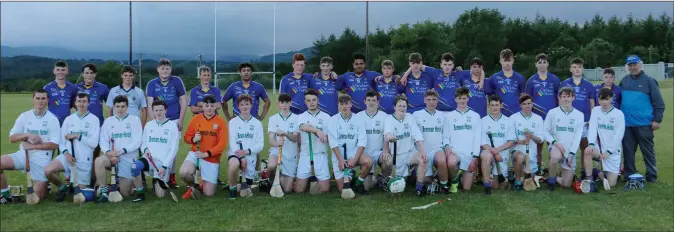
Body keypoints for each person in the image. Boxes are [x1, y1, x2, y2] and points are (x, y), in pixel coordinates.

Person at [0, 89, 60, 204]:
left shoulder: (53, 119)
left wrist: (33, 147)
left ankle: (45, 184)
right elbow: (12, 138)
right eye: (37, 98)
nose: (40, 101)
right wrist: (26, 135)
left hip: (42, 159)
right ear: (33, 99)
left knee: (37, 198)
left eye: (43, 98)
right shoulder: (25, 116)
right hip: (23, 155)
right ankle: (5, 193)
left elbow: (54, 144)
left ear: (47, 100)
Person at [44, 92, 100, 202]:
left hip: (83, 159)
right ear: (75, 103)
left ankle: (83, 187)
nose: (81, 104)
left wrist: (77, 136)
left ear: (89, 103)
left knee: (82, 195)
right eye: (79, 101)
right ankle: (62, 187)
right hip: (67, 157)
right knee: (47, 170)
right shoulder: (69, 119)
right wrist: (66, 153)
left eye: (84, 101)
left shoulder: (94, 120)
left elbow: (93, 143)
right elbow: (61, 141)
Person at [619, 55, 665, 182]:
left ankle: (651, 176)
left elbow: (659, 103)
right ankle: (629, 175)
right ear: (627, 67)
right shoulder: (624, 81)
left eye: (635, 64)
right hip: (627, 124)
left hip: (644, 124)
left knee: (648, 152)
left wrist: (657, 120)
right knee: (628, 152)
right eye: (630, 65)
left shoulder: (650, 81)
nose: (632, 67)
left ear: (640, 64)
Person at [106, 66, 149, 194]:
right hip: (117, 128)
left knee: (135, 155)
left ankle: (140, 181)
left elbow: (144, 110)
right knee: (115, 154)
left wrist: (141, 126)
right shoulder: (114, 91)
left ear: (133, 76)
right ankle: (116, 180)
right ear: (122, 76)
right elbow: (109, 109)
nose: (128, 78)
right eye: (126, 75)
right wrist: (110, 125)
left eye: (130, 75)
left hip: (132, 128)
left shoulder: (139, 91)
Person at [145, 58, 187, 188]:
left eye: (167, 68)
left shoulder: (177, 81)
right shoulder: (152, 83)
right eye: (162, 68)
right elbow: (150, 103)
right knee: (156, 148)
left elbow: (183, 100)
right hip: (157, 120)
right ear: (158, 69)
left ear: (171, 69)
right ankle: (156, 175)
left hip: (173, 120)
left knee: (172, 150)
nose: (165, 70)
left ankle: (171, 176)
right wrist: (153, 122)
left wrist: (180, 120)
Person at [95, 95, 143, 202]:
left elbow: (137, 141)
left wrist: (119, 152)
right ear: (114, 107)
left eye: (123, 106)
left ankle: (132, 186)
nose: (120, 109)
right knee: (99, 161)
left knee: (125, 193)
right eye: (117, 106)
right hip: (111, 157)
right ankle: (104, 191)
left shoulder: (134, 120)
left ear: (127, 107)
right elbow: (103, 140)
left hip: (127, 158)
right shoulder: (108, 121)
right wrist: (108, 153)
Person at [180, 95, 228, 197]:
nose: (209, 108)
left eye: (212, 105)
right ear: (203, 107)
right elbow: (186, 137)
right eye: (207, 105)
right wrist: (193, 139)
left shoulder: (221, 122)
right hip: (196, 153)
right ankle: (193, 186)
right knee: (184, 173)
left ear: (215, 107)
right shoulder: (196, 119)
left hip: (211, 158)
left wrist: (206, 154)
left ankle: (202, 183)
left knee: (209, 193)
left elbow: (221, 145)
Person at [383, 95, 428, 197]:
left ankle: (419, 189)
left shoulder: (410, 117)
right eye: (399, 106)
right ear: (394, 107)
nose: (402, 108)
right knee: (398, 188)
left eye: (404, 106)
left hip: (409, 153)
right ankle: (383, 178)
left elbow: (418, 137)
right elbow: (387, 134)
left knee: (422, 159)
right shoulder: (389, 119)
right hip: (396, 156)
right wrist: (390, 137)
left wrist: (422, 152)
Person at [327, 95, 372, 195]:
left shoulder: (358, 119)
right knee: (342, 189)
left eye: (346, 104)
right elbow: (333, 143)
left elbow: (362, 142)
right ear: (338, 106)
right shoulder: (333, 120)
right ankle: (351, 174)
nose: (344, 106)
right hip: (339, 158)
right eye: (341, 104)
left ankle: (359, 183)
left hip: (353, 155)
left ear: (351, 104)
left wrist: (355, 159)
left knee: (368, 161)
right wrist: (340, 160)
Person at [75, 63, 110, 187]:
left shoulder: (103, 88)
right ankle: (79, 181)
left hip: (98, 126)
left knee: (95, 154)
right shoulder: (77, 88)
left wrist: (109, 122)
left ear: (95, 74)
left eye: (91, 73)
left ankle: (93, 181)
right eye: (86, 73)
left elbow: (110, 105)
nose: (89, 75)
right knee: (82, 154)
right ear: (82, 74)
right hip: (81, 127)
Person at [401, 53, 472, 113]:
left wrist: (481, 82)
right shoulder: (435, 73)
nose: (447, 67)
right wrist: (405, 75)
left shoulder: (458, 74)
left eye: (449, 65)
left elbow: (476, 71)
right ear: (441, 65)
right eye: (445, 64)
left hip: (455, 111)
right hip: (439, 111)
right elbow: (416, 65)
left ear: (453, 65)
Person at [543, 87, 584, 191]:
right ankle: (551, 181)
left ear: (573, 98)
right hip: (556, 146)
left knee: (566, 185)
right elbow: (545, 132)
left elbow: (577, 137)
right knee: (555, 157)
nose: (566, 99)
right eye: (563, 97)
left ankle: (557, 177)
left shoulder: (579, 115)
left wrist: (572, 153)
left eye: (568, 96)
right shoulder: (552, 113)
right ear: (559, 98)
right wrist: (555, 143)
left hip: (569, 149)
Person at [583, 88, 625, 189]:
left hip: (613, 151)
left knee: (611, 184)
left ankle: (598, 173)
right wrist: (591, 144)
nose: (604, 102)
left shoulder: (618, 114)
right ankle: (589, 180)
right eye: (601, 99)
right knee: (587, 151)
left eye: (606, 99)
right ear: (598, 100)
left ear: (611, 99)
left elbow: (618, 136)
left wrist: (609, 152)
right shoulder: (596, 110)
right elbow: (592, 128)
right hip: (599, 148)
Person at [524, 53, 560, 174]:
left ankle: (551, 168)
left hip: (552, 118)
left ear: (548, 64)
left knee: (552, 144)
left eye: (544, 62)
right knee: (538, 144)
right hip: (537, 118)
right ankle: (538, 168)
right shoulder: (531, 81)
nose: (542, 64)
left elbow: (559, 97)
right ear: (536, 64)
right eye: (540, 62)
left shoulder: (554, 79)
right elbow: (527, 99)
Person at [442, 87, 482, 192]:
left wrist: (474, 158)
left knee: (466, 189)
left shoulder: (475, 116)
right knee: (450, 163)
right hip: (455, 151)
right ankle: (455, 181)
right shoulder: (449, 116)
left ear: (468, 99)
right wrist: (447, 146)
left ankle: (461, 176)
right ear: (455, 99)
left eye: (464, 98)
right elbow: (445, 136)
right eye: (459, 98)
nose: (462, 101)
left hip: (469, 154)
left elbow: (478, 138)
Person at [226, 94, 264, 200]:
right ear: (238, 106)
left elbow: (260, 145)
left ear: (251, 105)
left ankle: (233, 183)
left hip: (250, 156)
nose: (244, 107)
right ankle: (232, 189)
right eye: (241, 105)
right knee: (233, 165)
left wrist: (247, 152)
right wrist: (241, 157)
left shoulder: (257, 123)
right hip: (236, 153)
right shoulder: (233, 122)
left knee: (247, 186)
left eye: (247, 104)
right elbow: (233, 143)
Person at [294, 89, 332, 193]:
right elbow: (302, 127)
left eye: (314, 100)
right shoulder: (301, 116)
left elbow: (329, 137)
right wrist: (317, 131)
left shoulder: (326, 117)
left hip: (321, 154)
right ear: (305, 102)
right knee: (298, 190)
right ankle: (302, 181)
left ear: (318, 100)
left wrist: (323, 135)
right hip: (305, 155)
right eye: (309, 100)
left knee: (324, 190)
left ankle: (315, 180)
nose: (311, 102)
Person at [140, 100, 180, 200]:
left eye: (161, 110)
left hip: (162, 164)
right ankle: (139, 189)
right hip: (149, 160)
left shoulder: (172, 126)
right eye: (156, 110)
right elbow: (143, 143)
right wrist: (145, 150)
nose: (158, 112)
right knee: (135, 166)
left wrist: (164, 166)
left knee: (160, 195)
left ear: (166, 110)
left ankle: (156, 180)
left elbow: (174, 149)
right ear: (153, 111)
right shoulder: (149, 125)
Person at [412, 90, 448, 193]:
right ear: (424, 100)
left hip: (437, 149)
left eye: (434, 100)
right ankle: (434, 177)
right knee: (426, 181)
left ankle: (444, 186)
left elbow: (445, 134)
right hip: (423, 152)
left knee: (441, 160)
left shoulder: (442, 115)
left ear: (438, 101)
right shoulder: (416, 115)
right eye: (428, 99)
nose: (431, 102)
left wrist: (446, 147)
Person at [560, 57, 595, 161]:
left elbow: (592, 103)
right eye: (574, 67)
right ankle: (569, 169)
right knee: (569, 146)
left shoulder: (589, 85)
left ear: (583, 69)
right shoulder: (564, 84)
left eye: (579, 67)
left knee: (584, 146)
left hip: (585, 121)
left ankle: (585, 171)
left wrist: (591, 119)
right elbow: (561, 101)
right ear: (570, 69)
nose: (577, 69)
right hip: (569, 120)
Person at [479, 95, 516, 194]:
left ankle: (502, 180)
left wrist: (498, 150)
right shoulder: (483, 121)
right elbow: (483, 143)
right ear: (488, 106)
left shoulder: (508, 121)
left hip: (502, 156)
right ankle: (486, 184)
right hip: (490, 153)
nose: (494, 107)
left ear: (501, 105)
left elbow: (511, 141)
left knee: (498, 186)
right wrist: (494, 152)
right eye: (492, 105)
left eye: (497, 105)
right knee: (486, 156)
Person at [356, 90, 391, 190]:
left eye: (374, 100)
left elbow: (386, 134)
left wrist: (385, 151)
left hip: (378, 153)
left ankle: (384, 180)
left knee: (388, 161)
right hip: (365, 154)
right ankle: (377, 179)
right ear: (365, 101)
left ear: (378, 102)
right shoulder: (358, 116)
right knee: (367, 187)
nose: (371, 102)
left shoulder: (384, 116)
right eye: (369, 100)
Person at [265, 93, 300, 193]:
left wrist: (285, 134)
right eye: (282, 102)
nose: (284, 105)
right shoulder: (273, 119)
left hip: (290, 154)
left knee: (287, 190)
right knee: (271, 166)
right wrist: (277, 144)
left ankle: (281, 177)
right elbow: (271, 139)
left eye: (287, 102)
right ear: (278, 104)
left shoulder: (296, 118)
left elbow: (295, 138)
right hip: (277, 151)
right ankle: (270, 181)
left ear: (291, 103)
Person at [510, 95, 545, 190]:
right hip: (517, 151)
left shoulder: (538, 119)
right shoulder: (513, 118)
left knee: (530, 180)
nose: (527, 106)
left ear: (532, 104)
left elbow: (541, 139)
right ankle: (517, 181)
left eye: (529, 103)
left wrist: (532, 136)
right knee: (520, 157)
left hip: (531, 154)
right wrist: (521, 141)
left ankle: (519, 176)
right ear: (520, 105)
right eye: (524, 104)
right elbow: (510, 139)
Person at [487, 49, 526, 116]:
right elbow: (489, 97)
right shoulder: (493, 78)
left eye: (509, 60)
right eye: (505, 61)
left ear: (513, 61)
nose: (507, 63)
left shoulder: (520, 78)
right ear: (500, 61)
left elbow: (523, 96)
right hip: (500, 114)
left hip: (516, 113)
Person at [44, 60, 77, 126]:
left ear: (67, 71)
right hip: (52, 122)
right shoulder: (47, 88)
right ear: (54, 71)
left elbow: (75, 104)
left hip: (67, 122)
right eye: (58, 70)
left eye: (63, 70)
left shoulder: (73, 87)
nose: (60, 72)